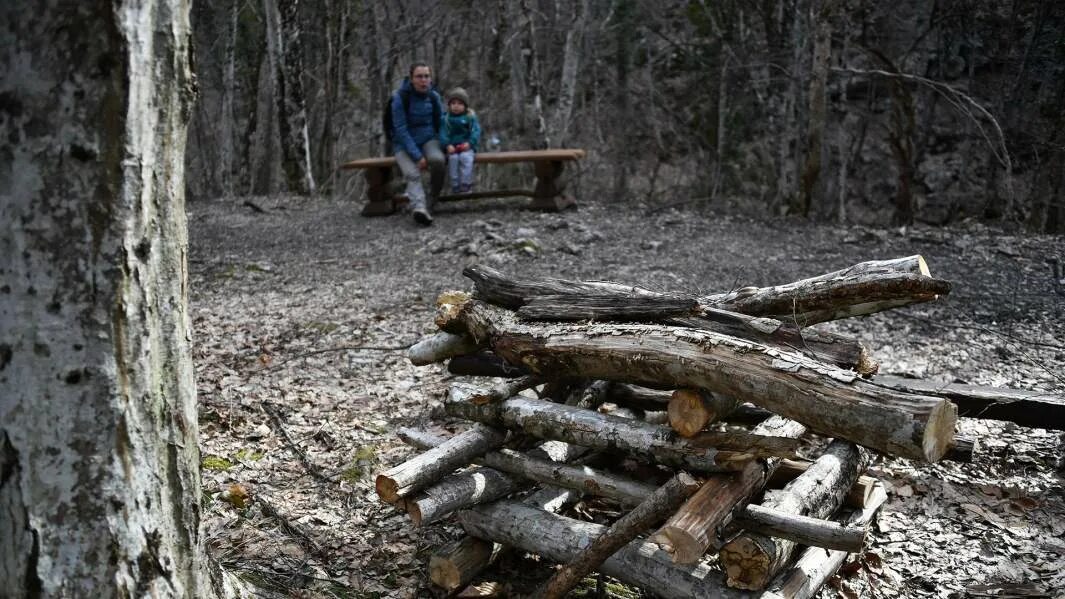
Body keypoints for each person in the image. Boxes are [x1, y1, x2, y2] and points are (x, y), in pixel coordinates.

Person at [390, 62, 445, 226]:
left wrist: (447, 143)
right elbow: (400, 130)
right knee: (412, 174)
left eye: (426, 76)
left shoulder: (433, 97)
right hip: (404, 144)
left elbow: (440, 122)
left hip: (429, 139)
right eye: (419, 77)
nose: (423, 80)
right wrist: (417, 155)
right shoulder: (400, 98)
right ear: (411, 79)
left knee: (438, 161)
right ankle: (419, 208)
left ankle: (432, 200)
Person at [439, 87, 481, 194]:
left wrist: (470, 143)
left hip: (466, 146)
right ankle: (455, 185)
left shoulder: (470, 117)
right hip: (452, 148)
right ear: (449, 105)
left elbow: (476, 131)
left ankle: (466, 184)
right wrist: (447, 145)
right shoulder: (446, 119)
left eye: (459, 103)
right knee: (453, 160)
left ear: (465, 106)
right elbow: (442, 133)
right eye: (453, 103)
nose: (456, 106)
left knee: (465, 158)